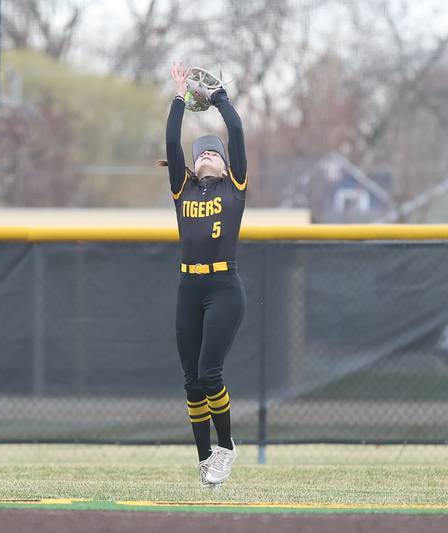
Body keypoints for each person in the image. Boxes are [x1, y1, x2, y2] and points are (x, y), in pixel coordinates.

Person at [162, 62, 248, 488]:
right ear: (196, 165)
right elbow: (170, 142)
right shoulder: (184, 188)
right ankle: (204, 460)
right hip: (188, 287)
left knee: (209, 372)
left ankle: (227, 448)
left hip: (223, 287)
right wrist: (179, 97)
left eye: (215, 152)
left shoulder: (236, 188)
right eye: (204, 153)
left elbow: (237, 134)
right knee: (191, 381)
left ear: (226, 163)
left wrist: (219, 99)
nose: (210, 155)